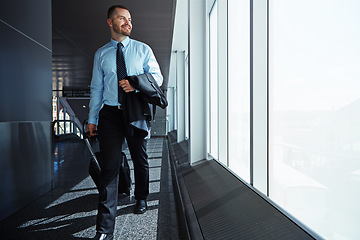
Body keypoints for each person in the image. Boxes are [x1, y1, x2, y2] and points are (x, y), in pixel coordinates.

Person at [86, 5, 163, 240]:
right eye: (122, 18)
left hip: (135, 111)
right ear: (110, 22)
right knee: (109, 168)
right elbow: (97, 88)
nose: (128, 22)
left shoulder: (142, 49)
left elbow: (157, 77)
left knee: (140, 159)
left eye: (129, 19)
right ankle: (104, 230)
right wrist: (92, 119)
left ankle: (141, 197)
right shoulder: (101, 54)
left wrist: (135, 83)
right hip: (110, 114)